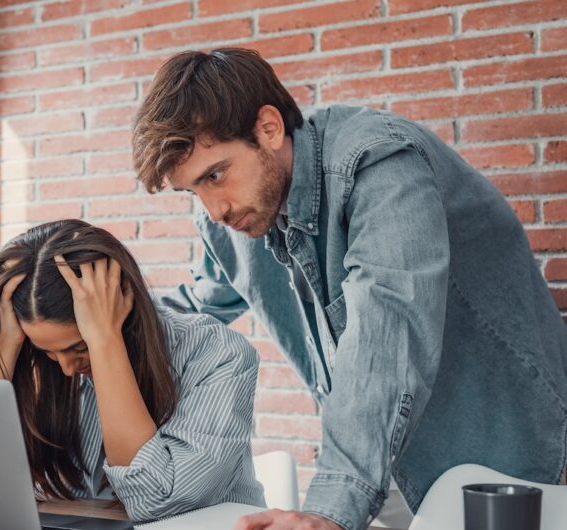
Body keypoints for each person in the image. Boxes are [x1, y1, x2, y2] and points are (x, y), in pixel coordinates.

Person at [131, 48, 567, 530]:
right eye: (193, 191)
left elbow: (388, 333)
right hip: (390, 469)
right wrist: (100, 328)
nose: (214, 209)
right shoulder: (233, 218)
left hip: (508, 461)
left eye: (215, 175)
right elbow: (198, 306)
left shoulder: (379, 162)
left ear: (269, 128)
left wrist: (328, 510)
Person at [0, 219, 265, 523]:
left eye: (79, 348)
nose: (67, 368)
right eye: (49, 353)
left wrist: (105, 340)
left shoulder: (216, 355)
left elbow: (154, 501)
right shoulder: (40, 368)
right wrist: (3, 354)